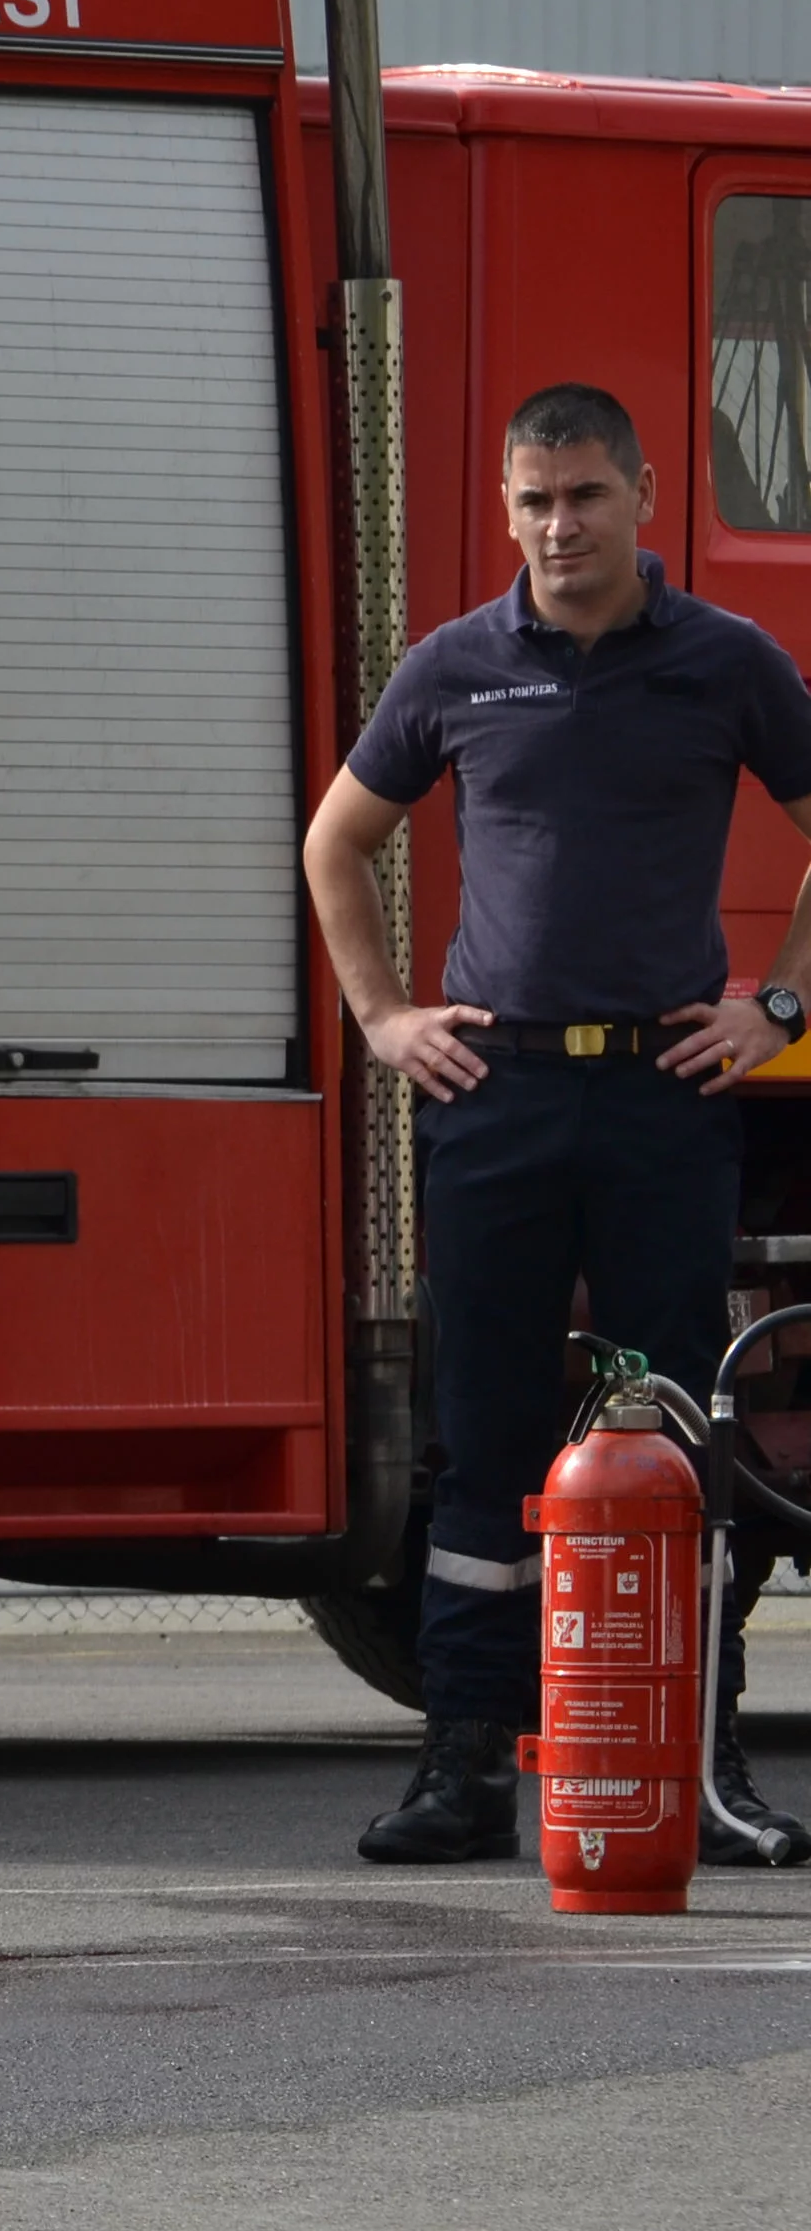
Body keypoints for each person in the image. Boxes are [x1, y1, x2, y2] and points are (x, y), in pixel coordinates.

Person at [303, 381, 811, 1867]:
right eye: (532, 499)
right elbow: (340, 840)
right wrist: (388, 1019)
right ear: (507, 506)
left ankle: (701, 1767)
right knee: (486, 1440)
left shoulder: (726, 663)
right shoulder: (459, 665)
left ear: (644, 493)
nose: (558, 524)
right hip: (498, 1095)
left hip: (664, 1095)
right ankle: (462, 1769)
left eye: (585, 494)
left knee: (671, 1440)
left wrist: (776, 1009)